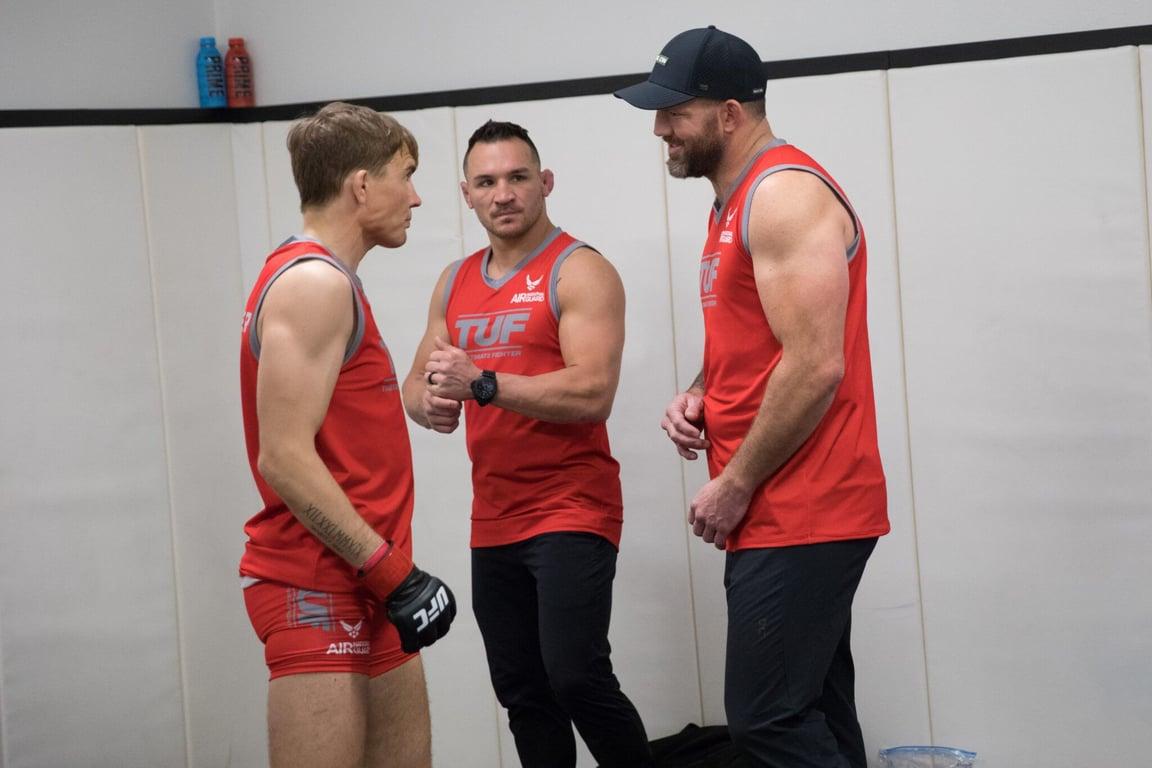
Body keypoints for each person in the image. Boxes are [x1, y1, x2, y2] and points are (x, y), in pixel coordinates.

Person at [615, 26, 890, 768]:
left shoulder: (782, 197)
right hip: (782, 505)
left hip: (803, 504)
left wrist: (734, 483)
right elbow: (762, 341)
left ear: (729, 114)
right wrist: (701, 393)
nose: (659, 129)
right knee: (816, 714)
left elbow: (815, 366)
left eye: (675, 113)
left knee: (767, 721)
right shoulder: (731, 203)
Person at [401, 120, 653, 768]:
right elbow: (414, 381)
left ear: (544, 183)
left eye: (517, 178)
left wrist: (481, 383)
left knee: (576, 676)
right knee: (524, 693)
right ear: (467, 194)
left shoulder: (581, 270)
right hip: (494, 520)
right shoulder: (455, 281)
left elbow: (592, 391)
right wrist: (429, 401)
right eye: (487, 181)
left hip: (572, 508)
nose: (503, 193)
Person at [238, 101, 456, 768]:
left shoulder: (332, 281)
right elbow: (284, 457)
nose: (415, 196)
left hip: (372, 584)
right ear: (362, 185)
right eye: (405, 174)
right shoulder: (312, 284)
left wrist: (391, 579)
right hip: (319, 586)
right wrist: (395, 574)